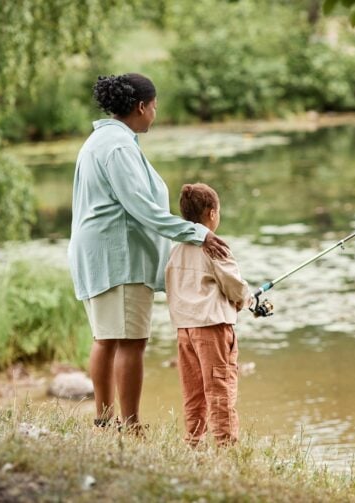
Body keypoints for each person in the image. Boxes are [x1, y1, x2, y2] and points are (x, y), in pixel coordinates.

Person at [68, 73, 229, 434]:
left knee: (107, 337)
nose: (155, 114)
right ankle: (129, 423)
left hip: (101, 254)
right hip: (119, 258)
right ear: (141, 106)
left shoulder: (102, 139)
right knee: (129, 341)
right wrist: (196, 233)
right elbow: (141, 208)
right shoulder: (119, 147)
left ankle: (106, 420)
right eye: (154, 107)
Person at [165, 183, 250, 446]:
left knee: (194, 392)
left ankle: (194, 444)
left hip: (185, 331)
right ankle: (225, 448)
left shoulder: (176, 249)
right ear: (212, 213)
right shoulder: (214, 247)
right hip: (212, 328)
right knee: (220, 391)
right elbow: (234, 286)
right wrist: (246, 300)